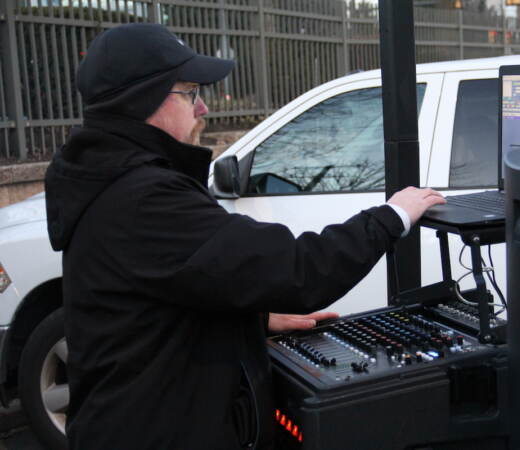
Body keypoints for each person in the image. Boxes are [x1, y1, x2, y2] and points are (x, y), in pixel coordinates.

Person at [44, 23, 445, 450]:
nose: (202, 109)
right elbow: (297, 270)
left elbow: (160, 303)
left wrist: (254, 320)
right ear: (143, 102)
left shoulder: (110, 181)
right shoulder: (144, 197)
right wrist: (392, 216)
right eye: (190, 92)